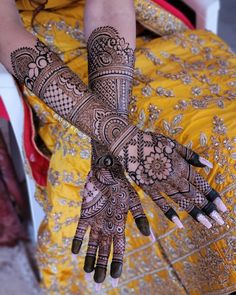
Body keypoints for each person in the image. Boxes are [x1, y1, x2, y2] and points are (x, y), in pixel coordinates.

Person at [0, 0, 235, 294]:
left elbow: (110, 5)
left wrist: (112, 154)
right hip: (47, 53)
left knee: (224, 145)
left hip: (131, 30)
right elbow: (4, 27)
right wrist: (126, 142)